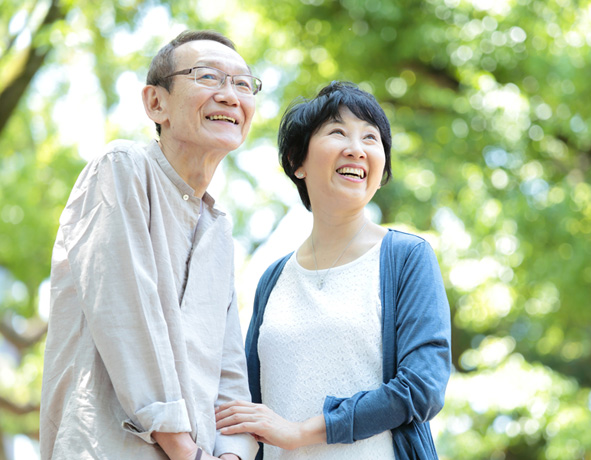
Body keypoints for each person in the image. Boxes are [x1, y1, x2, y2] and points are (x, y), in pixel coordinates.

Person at [40, 30, 261, 460]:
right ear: (156, 103)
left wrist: (232, 453)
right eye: (209, 77)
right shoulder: (122, 168)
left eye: (242, 84)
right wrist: (185, 451)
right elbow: (125, 316)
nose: (230, 96)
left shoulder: (218, 228)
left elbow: (229, 370)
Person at [215, 81, 452, 459]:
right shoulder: (273, 280)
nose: (356, 149)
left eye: (371, 138)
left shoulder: (407, 258)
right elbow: (246, 403)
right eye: (338, 132)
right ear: (298, 161)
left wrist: (301, 432)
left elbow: (421, 387)